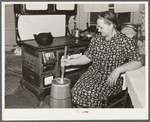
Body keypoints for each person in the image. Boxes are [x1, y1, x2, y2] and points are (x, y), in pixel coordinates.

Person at [61, 10, 143, 108]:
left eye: (101, 27)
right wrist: (70, 62)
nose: (99, 30)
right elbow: (88, 57)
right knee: (75, 91)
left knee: (90, 95)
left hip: (111, 78)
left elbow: (138, 62)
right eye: (98, 27)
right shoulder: (97, 39)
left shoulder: (124, 41)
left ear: (111, 25)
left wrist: (118, 70)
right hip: (93, 73)